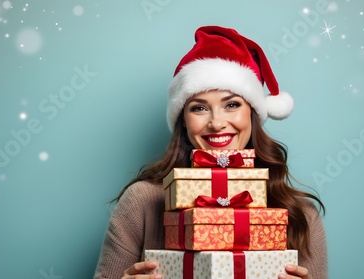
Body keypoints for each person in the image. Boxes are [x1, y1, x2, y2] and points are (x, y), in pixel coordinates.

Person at [94, 25, 327, 279]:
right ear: (183, 119)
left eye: (232, 104)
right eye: (199, 108)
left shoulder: (299, 213)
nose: (216, 122)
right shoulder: (143, 201)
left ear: (253, 112)